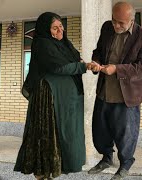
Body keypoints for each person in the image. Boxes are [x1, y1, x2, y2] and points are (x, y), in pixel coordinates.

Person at [14, 12, 97, 179]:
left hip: (66, 98)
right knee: (48, 134)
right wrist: (84, 67)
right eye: (55, 27)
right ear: (46, 29)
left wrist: (89, 65)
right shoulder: (42, 43)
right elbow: (58, 68)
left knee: (65, 134)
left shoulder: (64, 44)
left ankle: (52, 172)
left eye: (61, 26)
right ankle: (42, 173)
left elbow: (75, 61)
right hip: (49, 98)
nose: (60, 30)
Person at [88, 2, 142, 180]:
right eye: (114, 20)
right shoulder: (107, 28)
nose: (116, 25)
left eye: (121, 23)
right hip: (104, 91)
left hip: (126, 96)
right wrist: (96, 63)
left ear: (132, 20)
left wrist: (117, 69)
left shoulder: (141, 35)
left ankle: (125, 164)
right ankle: (106, 159)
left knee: (126, 134)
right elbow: (98, 51)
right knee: (100, 130)